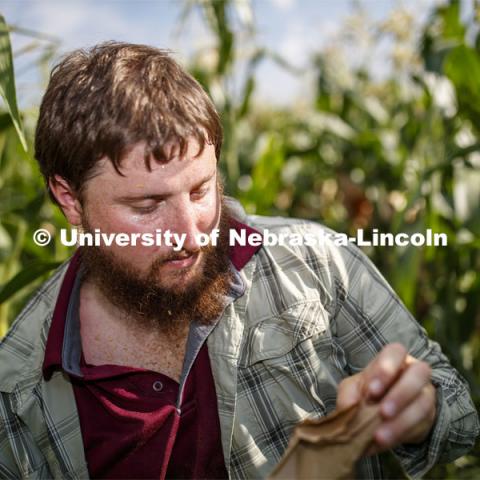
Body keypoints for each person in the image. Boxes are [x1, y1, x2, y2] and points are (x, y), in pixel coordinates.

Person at [0, 42, 478, 480]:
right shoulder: (18, 386)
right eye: (146, 206)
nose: (191, 234)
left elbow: (460, 414)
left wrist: (421, 413)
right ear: (70, 200)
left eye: (200, 189)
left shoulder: (316, 260)